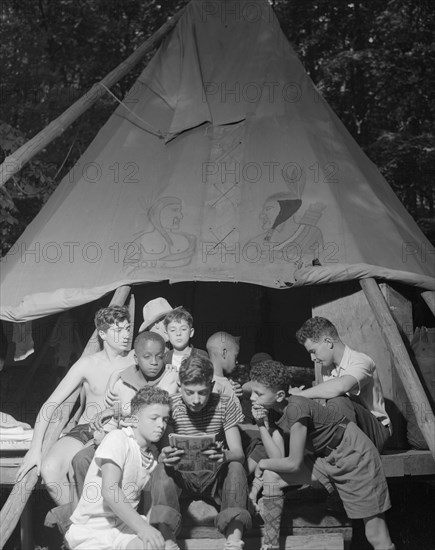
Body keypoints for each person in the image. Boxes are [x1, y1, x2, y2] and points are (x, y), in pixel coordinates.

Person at [250, 360, 395, 550]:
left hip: (354, 455)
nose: (252, 397)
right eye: (253, 392)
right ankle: (271, 545)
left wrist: (262, 463)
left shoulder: (296, 408)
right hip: (326, 458)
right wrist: (261, 425)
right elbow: (278, 458)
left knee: (376, 535)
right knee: (273, 476)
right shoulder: (273, 411)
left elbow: (293, 463)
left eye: (258, 394)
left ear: (279, 395)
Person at [16, 306, 132, 505]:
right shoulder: (87, 364)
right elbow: (49, 405)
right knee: (50, 470)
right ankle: (77, 524)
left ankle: (90, 524)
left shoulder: (135, 360)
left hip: (117, 430)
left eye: (128, 329)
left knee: (83, 470)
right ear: (102, 334)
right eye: (118, 330)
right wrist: (35, 449)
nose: (126, 335)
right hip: (84, 429)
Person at [149, 354, 251, 550]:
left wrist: (225, 455)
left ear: (212, 386)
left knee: (236, 467)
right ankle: (169, 542)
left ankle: (234, 541)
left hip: (214, 476)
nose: (196, 400)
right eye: (189, 392)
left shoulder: (225, 403)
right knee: (161, 469)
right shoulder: (171, 406)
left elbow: (238, 453)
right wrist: (165, 455)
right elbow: (165, 449)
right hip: (183, 477)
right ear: (180, 386)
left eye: (203, 392)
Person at [72, 331, 179, 498]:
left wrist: (113, 410)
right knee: (82, 458)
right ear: (136, 359)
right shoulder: (123, 381)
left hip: (155, 442)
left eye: (159, 357)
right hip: (123, 442)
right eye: (147, 357)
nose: (154, 362)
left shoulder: (170, 376)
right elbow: (112, 423)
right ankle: (85, 514)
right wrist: (103, 435)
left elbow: (151, 405)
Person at [65, 386, 170, 550]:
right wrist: (143, 528)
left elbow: (148, 501)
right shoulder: (118, 439)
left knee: (152, 545)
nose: (161, 425)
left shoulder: (151, 456)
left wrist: (148, 529)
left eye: (165, 419)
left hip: (124, 527)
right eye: (154, 418)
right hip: (94, 528)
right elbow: (109, 490)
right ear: (134, 419)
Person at [293, 317, 391, 452]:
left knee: (338, 399)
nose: (312, 358)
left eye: (313, 351)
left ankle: (347, 454)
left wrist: (300, 395)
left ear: (328, 342)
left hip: (376, 432)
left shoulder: (361, 361)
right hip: (349, 429)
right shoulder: (325, 367)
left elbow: (341, 386)